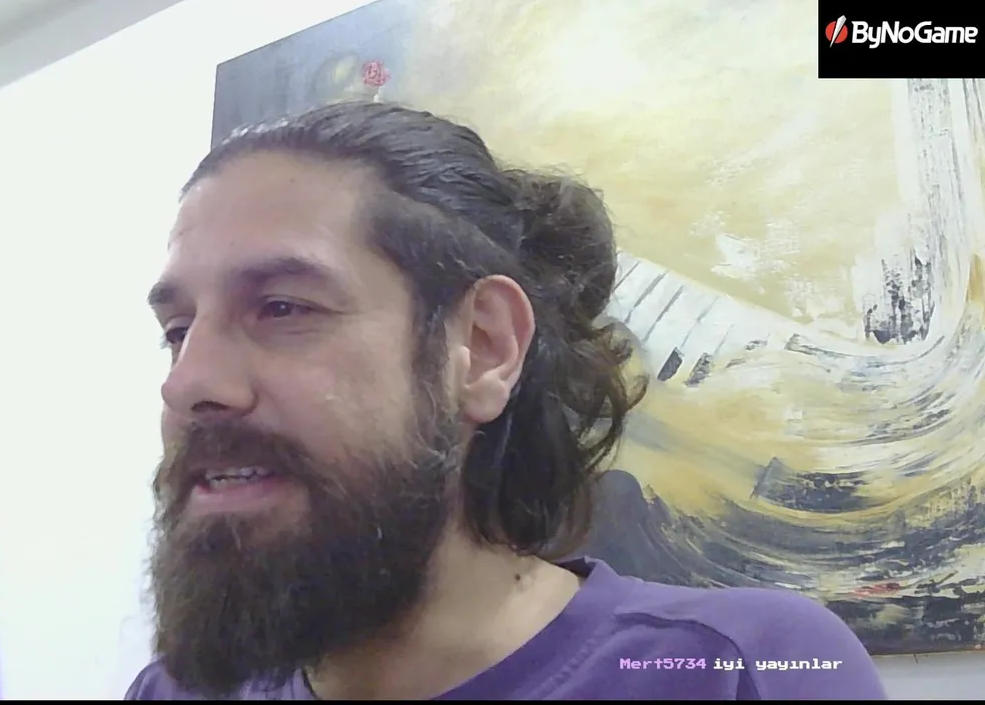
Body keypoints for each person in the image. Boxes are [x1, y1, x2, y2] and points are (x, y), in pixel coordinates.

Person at [126, 101, 887, 701]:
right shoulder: (173, 692)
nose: (187, 384)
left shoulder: (746, 670)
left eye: (283, 308)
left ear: (484, 348)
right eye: (178, 332)